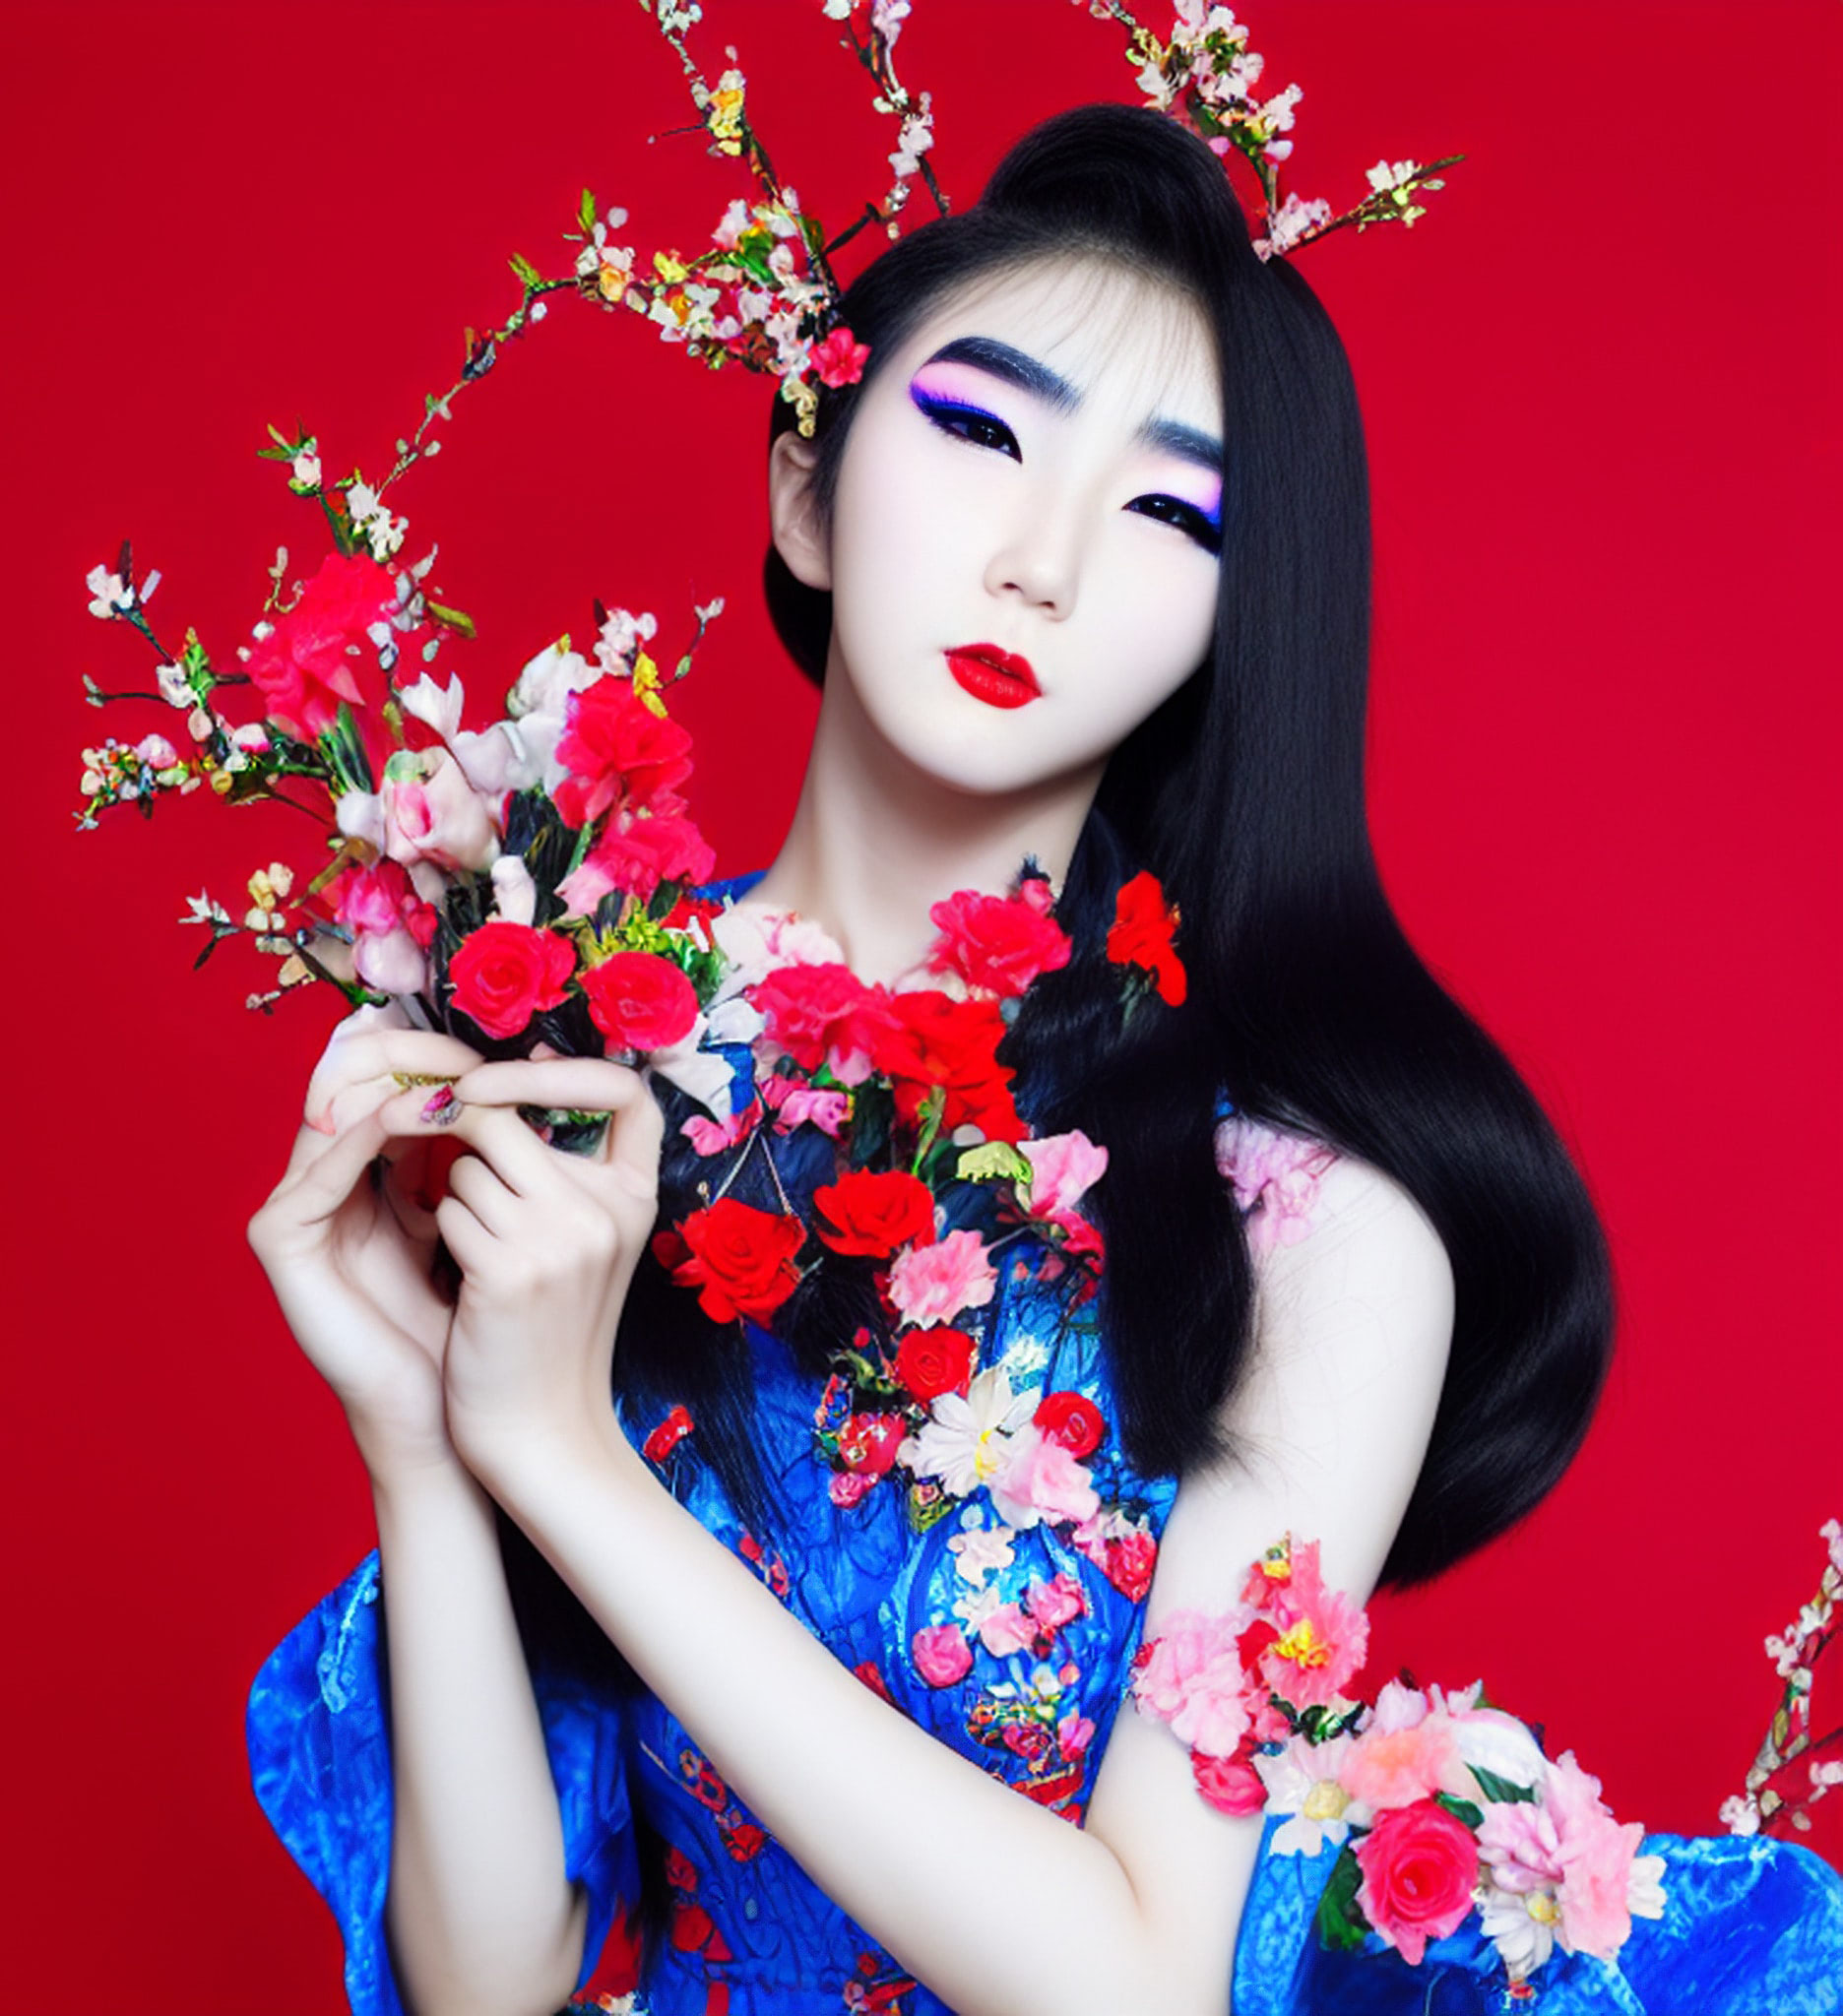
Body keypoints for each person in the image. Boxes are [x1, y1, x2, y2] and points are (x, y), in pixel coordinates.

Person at [242, 104, 1843, 2015]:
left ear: (1228, 625)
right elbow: (482, 1983)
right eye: (982, 431)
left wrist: (567, 1457)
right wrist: (431, 1445)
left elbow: (1138, 1987)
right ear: (805, 492)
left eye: (1172, 513)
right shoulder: (584, 1090)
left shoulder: (1319, 1221)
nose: (1045, 563)